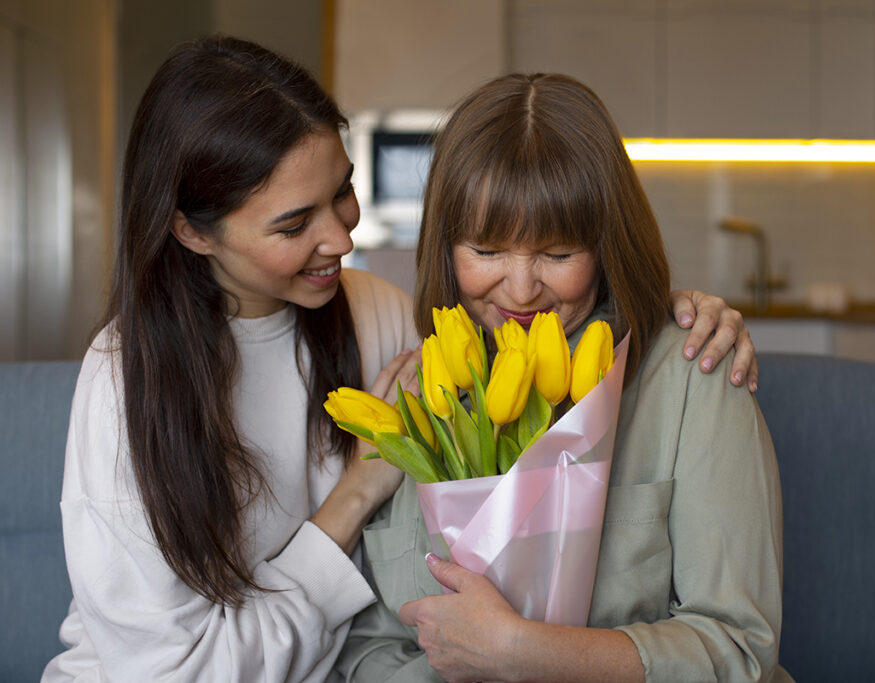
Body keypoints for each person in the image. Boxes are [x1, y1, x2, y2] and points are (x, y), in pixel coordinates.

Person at [43, 38, 758, 681]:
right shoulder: (124, 384)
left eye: (342, 194)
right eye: (295, 223)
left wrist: (670, 305)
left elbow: (735, 640)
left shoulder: (380, 323)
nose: (340, 238)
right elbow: (365, 642)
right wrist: (358, 490)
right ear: (193, 234)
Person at [337, 73, 791, 683]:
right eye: (486, 251)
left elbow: (739, 651)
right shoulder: (419, 399)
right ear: (445, 248)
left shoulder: (692, 373)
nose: (522, 290)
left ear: (607, 246)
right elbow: (367, 647)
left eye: (557, 255)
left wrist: (522, 653)